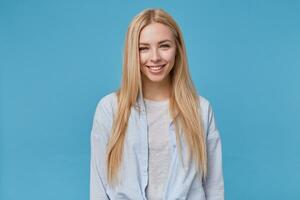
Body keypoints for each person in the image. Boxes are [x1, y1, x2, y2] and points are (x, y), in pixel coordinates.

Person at [90, 8, 224, 200]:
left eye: (164, 46)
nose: (155, 57)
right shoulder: (109, 109)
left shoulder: (201, 110)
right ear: (132, 53)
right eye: (143, 48)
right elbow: (98, 188)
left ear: (177, 49)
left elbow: (214, 188)